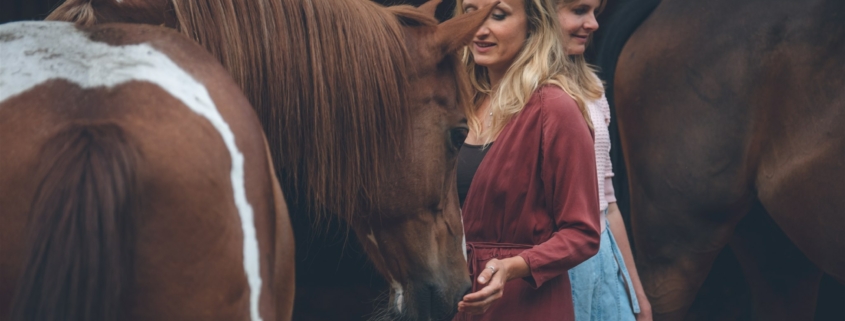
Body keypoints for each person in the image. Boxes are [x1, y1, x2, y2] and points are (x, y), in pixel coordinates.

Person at [453, 0, 601, 319]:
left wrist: (513, 267)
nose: (479, 29)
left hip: (523, 302)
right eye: (470, 13)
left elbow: (583, 233)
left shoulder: (555, 108)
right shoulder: (458, 104)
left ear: (533, 24)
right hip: (459, 299)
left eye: (498, 15)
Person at [555, 0, 653, 320]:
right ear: (541, 12)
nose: (594, 24)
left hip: (603, 261)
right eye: (579, 10)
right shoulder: (519, 95)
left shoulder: (592, 90)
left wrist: (637, 295)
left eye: (594, 12)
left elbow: (607, 203)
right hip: (553, 268)